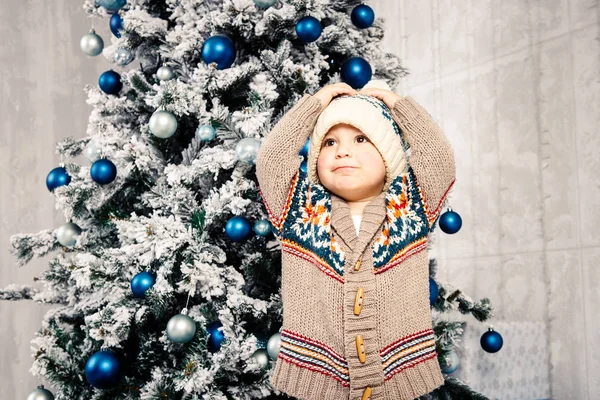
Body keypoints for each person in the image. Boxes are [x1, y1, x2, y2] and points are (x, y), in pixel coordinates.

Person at [255, 79, 456, 400]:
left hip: (399, 374)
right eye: (330, 143)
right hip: (316, 378)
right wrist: (315, 103)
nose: (343, 150)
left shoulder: (410, 205)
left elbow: (438, 159)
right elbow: (272, 161)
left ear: (388, 155)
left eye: (361, 138)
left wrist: (398, 105)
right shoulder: (301, 208)